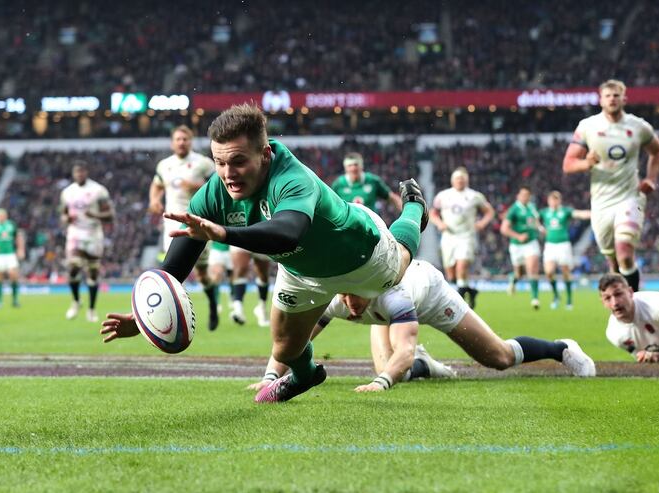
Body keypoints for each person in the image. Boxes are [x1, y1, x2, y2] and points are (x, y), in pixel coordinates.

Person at [100, 103, 428, 404]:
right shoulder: (213, 193)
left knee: (401, 261)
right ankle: (306, 376)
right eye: (219, 163)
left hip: (359, 254)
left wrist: (224, 234)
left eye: (238, 161)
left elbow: (287, 233)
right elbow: (178, 260)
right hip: (301, 270)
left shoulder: (293, 178)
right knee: (284, 348)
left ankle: (414, 208)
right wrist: (144, 315)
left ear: (265, 154)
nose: (228, 174)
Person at [249, 260, 596, 392]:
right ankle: (425, 367)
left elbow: (405, 347)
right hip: (384, 313)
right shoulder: (336, 299)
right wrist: (269, 377)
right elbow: (291, 342)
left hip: (430, 295)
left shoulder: (394, 295)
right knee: (390, 369)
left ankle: (561, 348)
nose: (349, 304)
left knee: (498, 357)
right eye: (344, 296)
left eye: (355, 296)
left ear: (367, 289)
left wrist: (380, 385)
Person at [562, 79, 659, 291]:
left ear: (624, 99)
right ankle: (622, 303)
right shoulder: (588, 127)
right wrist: (586, 163)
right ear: (600, 100)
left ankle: (635, 303)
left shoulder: (639, 126)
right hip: (601, 202)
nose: (612, 99)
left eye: (616, 95)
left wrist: (651, 178)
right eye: (608, 96)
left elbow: (657, 152)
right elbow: (568, 164)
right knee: (613, 263)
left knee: (625, 253)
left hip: (630, 197)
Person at [149, 125, 221, 331]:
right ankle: (173, 320)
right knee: (171, 273)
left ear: (191, 141)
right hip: (172, 223)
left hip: (198, 222)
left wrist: (196, 186)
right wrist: (154, 200)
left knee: (202, 274)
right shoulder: (164, 165)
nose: (181, 142)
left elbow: (220, 185)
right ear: (172, 143)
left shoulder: (204, 163)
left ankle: (213, 304)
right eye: (178, 139)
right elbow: (157, 184)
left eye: (185, 139)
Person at [429, 166, 494, 308]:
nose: (460, 181)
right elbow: (432, 213)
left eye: (462, 179)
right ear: (452, 180)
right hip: (448, 236)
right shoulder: (443, 196)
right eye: (457, 178)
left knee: (461, 266)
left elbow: (489, 211)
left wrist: (482, 223)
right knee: (451, 274)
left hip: (466, 236)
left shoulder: (474, 196)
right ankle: (470, 291)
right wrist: (439, 223)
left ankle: (459, 304)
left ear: (467, 180)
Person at [60, 162, 114, 322]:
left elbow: (110, 215)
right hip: (75, 233)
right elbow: (63, 215)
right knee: (73, 267)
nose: (79, 175)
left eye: (82, 172)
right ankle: (76, 301)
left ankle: (91, 309)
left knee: (93, 273)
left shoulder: (98, 190)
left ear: (86, 172)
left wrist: (95, 215)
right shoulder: (67, 192)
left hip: (93, 234)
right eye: (76, 172)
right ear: (73, 174)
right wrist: (66, 218)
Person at [539, 191, 590, 310]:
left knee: (565, 272)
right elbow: (532, 218)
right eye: (552, 199)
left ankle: (569, 300)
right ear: (548, 201)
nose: (554, 201)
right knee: (549, 272)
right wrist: (540, 228)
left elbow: (579, 214)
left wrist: (592, 213)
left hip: (563, 245)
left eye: (556, 199)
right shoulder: (544, 212)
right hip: (550, 245)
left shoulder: (565, 211)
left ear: (560, 200)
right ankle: (556, 295)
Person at [501, 186, 543, 309]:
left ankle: (535, 298)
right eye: (523, 195)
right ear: (518, 196)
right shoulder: (513, 209)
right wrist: (518, 236)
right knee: (519, 273)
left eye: (527, 195)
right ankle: (513, 279)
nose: (525, 197)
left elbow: (535, 222)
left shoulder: (532, 207)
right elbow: (504, 229)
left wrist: (540, 228)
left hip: (531, 242)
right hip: (517, 245)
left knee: (532, 268)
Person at [331, 152, 402, 213]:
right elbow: (331, 204)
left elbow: (391, 198)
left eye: (356, 164)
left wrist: (404, 211)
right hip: (347, 224)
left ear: (361, 166)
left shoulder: (372, 180)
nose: (353, 168)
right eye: (350, 165)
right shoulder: (338, 184)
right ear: (345, 168)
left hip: (371, 223)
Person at [229, 246, 273, 327]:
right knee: (240, 269)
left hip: (261, 240)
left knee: (263, 274)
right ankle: (238, 309)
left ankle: (261, 308)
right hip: (241, 238)